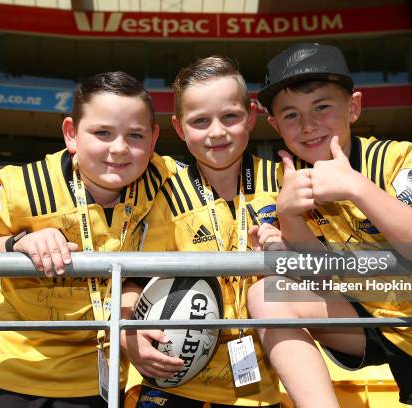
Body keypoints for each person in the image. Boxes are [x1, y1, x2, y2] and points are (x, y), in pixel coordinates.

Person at [246, 43, 412, 408]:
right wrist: (290, 216)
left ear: (354, 107)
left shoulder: (395, 155)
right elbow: (320, 279)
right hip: (361, 319)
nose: (308, 125)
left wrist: (356, 187)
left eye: (322, 107)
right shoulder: (285, 180)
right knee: (266, 294)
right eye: (291, 115)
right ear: (276, 126)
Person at [0, 72, 179, 407]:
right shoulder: (27, 186)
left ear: (153, 140)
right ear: (71, 134)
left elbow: (138, 278)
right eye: (102, 133)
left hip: (99, 379)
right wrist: (17, 243)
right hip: (17, 370)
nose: (118, 149)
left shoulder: (164, 184)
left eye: (135, 135)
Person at [120, 56, 283, 407]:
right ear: (179, 128)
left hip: (256, 386)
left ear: (251, 115)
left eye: (230, 116)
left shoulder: (284, 181)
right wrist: (129, 331)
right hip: (171, 380)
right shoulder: (162, 192)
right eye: (200, 121)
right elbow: (133, 279)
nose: (216, 132)